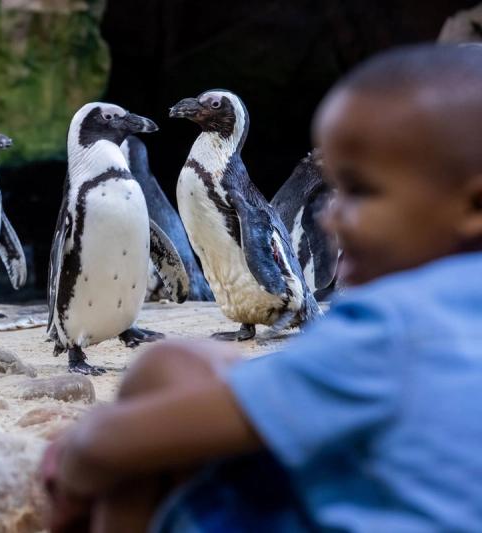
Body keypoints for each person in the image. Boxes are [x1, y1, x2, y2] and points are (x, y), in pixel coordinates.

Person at [41, 43, 482, 533]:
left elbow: (112, 446)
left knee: (167, 370)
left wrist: (75, 457)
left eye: (359, 191)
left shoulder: (394, 330)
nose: (331, 213)